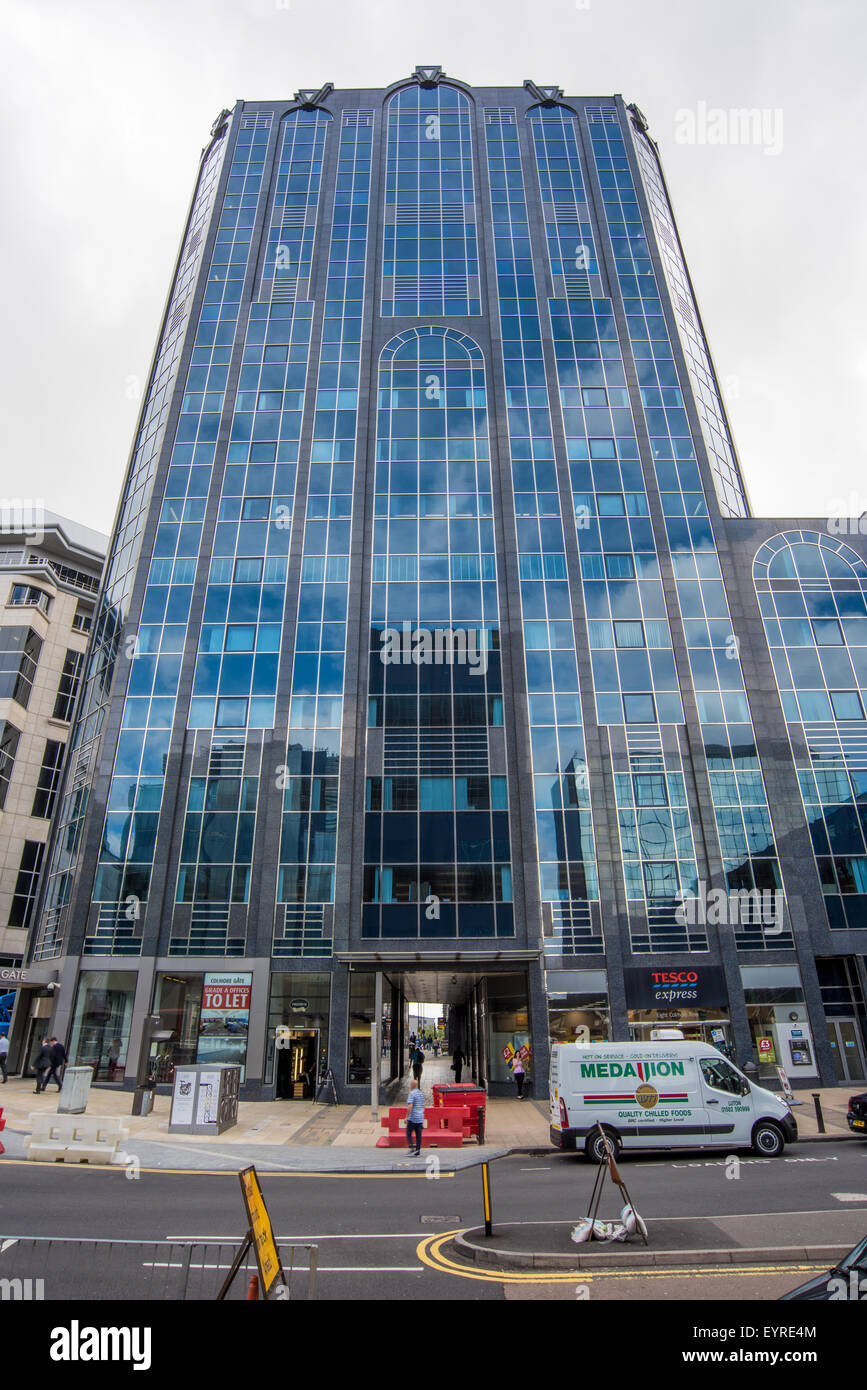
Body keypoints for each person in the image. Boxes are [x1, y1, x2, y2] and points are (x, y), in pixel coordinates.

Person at [406, 1079, 425, 1156]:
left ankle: (411, 1147)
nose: (410, 1086)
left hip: (413, 1117)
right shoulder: (421, 1094)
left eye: (410, 1085)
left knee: (408, 1133)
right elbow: (423, 1105)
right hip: (420, 1117)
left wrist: (406, 1117)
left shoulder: (412, 1094)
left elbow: (410, 1106)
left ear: (412, 1085)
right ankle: (418, 1150)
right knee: (418, 1135)